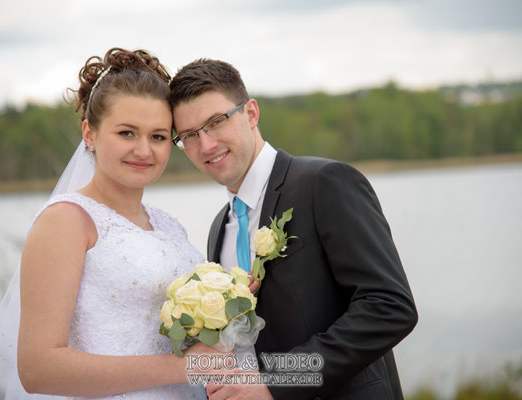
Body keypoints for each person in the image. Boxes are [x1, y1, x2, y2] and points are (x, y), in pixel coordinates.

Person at [0, 48, 221, 400]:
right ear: (90, 133)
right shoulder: (66, 221)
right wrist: (183, 366)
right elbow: (38, 370)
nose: (143, 151)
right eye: (126, 133)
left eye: (158, 136)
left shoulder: (169, 226)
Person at [169, 59, 419, 400]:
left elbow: (390, 307)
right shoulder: (219, 228)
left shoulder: (324, 183)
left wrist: (276, 383)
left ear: (251, 113)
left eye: (216, 122)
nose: (206, 145)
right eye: (189, 136)